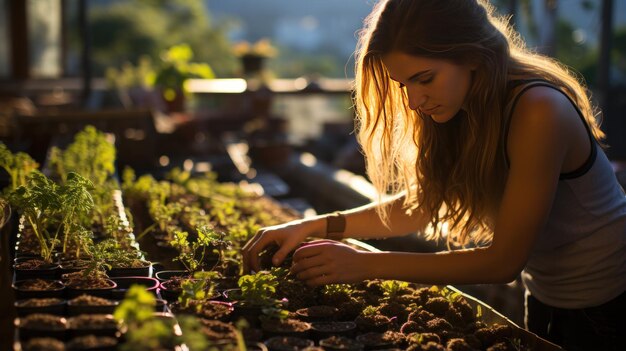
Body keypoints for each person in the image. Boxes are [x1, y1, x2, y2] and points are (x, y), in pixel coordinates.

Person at [242, 0, 626, 349]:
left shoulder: (538, 110)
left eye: (424, 78)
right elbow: (419, 207)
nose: (413, 100)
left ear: (473, 56)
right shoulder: (461, 108)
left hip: (609, 303)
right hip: (544, 298)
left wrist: (364, 264)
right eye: (403, 84)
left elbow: (503, 262)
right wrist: (313, 227)